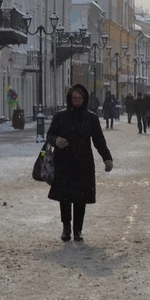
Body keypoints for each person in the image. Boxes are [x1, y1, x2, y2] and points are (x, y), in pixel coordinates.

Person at [45, 83, 113, 243]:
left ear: (84, 99)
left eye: (79, 98)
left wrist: (107, 158)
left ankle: (78, 230)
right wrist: (57, 140)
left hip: (83, 164)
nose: (77, 101)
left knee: (80, 199)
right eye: (74, 98)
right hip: (64, 163)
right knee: (65, 198)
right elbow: (49, 136)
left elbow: (99, 140)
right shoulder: (60, 117)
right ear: (70, 99)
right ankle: (66, 227)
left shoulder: (91, 118)